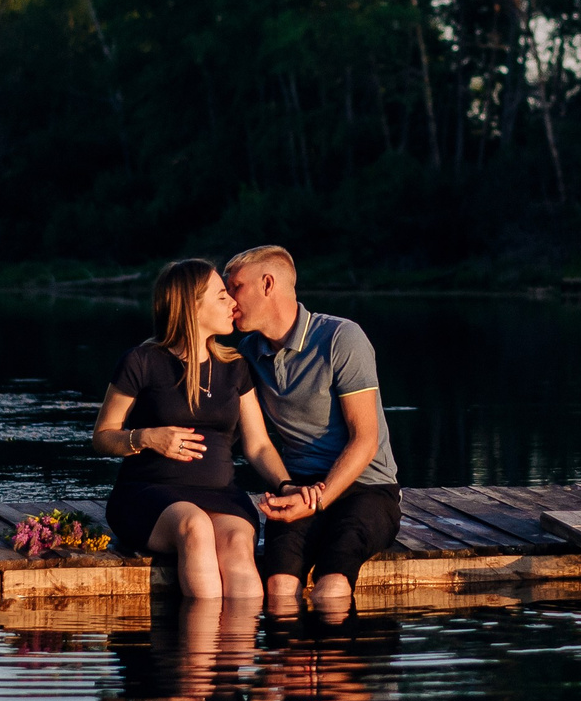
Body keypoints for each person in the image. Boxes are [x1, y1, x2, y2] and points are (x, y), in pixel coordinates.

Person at [93, 258, 298, 601]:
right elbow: (102, 436)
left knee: (237, 541)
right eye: (222, 296)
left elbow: (259, 445)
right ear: (192, 305)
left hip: (221, 494)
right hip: (149, 495)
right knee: (195, 526)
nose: (233, 303)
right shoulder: (142, 361)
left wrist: (286, 485)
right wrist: (145, 437)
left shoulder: (235, 366)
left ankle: (239, 636)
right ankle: (202, 636)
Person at [221, 244, 400, 608]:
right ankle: (286, 645)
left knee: (332, 585)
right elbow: (257, 444)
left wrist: (318, 501)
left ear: (267, 284)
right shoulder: (248, 354)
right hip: (298, 488)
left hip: (368, 488)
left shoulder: (341, 338)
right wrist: (290, 489)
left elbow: (365, 440)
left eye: (235, 287)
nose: (228, 299)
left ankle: (334, 645)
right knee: (278, 586)